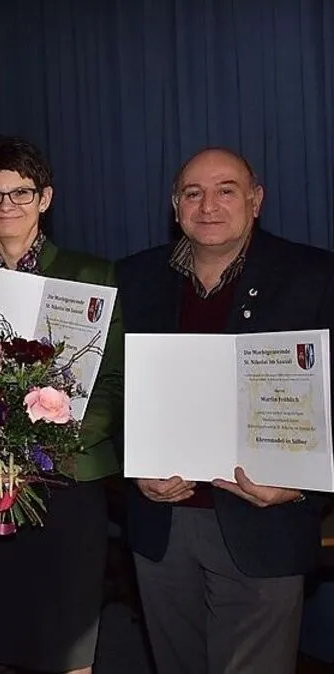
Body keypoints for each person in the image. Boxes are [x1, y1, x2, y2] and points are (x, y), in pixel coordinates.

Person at [118, 147, 334, 674]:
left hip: (264, 521)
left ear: (256, 200)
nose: (208, 205)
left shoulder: (315, 276)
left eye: (226, 190)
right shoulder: (132, 278)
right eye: (193, 193)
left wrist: (303, 484)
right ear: (175, 206)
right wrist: (134, 463)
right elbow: (107, 392)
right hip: (163, 524)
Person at [0, 136, 123, 674]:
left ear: (46, 198)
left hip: (70, 483)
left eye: (21, 193)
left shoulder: (92, 276)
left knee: (67, 645)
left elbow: (110, 384)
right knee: (1, 647)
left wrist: (43, 450)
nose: (7, 206)